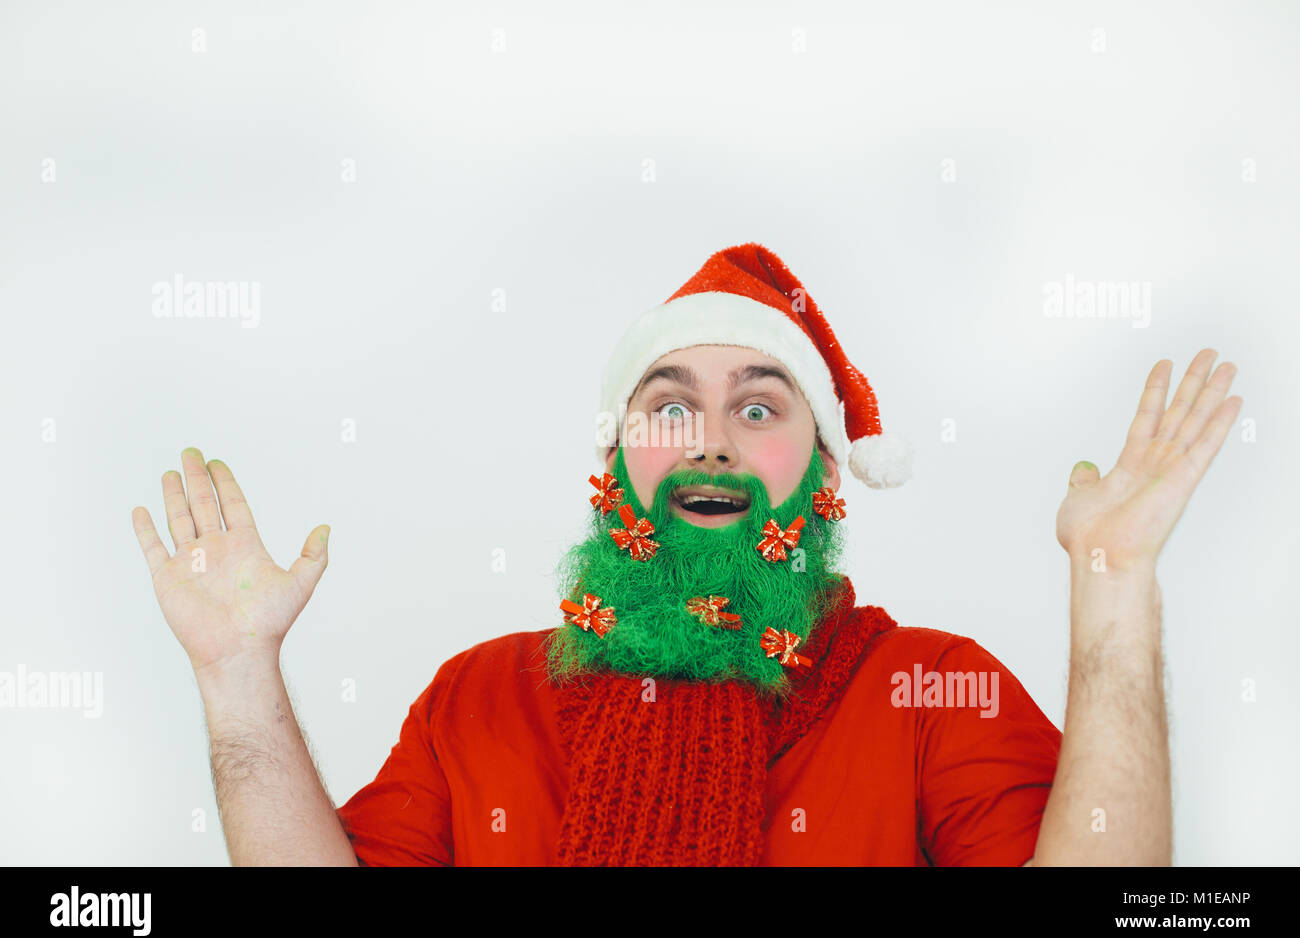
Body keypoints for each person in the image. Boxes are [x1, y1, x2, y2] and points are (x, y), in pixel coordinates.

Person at [131, 242, 1242, 866]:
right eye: (670, 406)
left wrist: (1115, 589)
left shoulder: (925, 691)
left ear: (821, 466)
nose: (710, 438)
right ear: (617, 459)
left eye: (759, 407)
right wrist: (237, 679)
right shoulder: (476, 698)